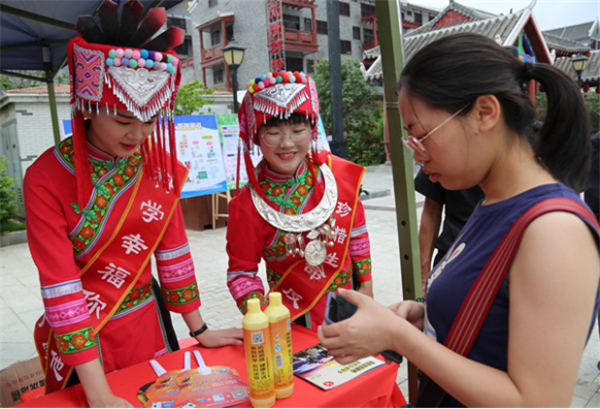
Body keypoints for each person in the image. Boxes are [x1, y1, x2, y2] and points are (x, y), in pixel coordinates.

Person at [318, 33, 600, 407]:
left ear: (485, 112)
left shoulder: (554, 231)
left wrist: (400, 338)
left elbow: (537, 401)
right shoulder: (492, 202)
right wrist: (424, 316)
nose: (418, 155)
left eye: (420, 134)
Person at [23, 1, 242, 406]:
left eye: (150, 119)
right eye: (124, 120)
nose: (138, 134)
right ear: (88, 107)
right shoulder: (45, 178)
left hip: (147, 323)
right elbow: (60, 286)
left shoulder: (156, 166)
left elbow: (173, 252)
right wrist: (99, 394)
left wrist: (200, 329)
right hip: (83, 340)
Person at [225, 71, 373, 330]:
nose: (287, 143)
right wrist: (261, 315)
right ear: (256, 135)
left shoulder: (338, 176)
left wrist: (367, 287)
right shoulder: (246, 205)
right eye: (273, 133)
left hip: (350, 306)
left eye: (297, 130)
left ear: (312, 130)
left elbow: (357, 234)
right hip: (293, 320)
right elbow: (241, 273)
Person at [415, 169, 484, 291]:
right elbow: (431, 210)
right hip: (451, 258)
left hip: (499, 260)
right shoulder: (441, 154)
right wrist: (424, 276)